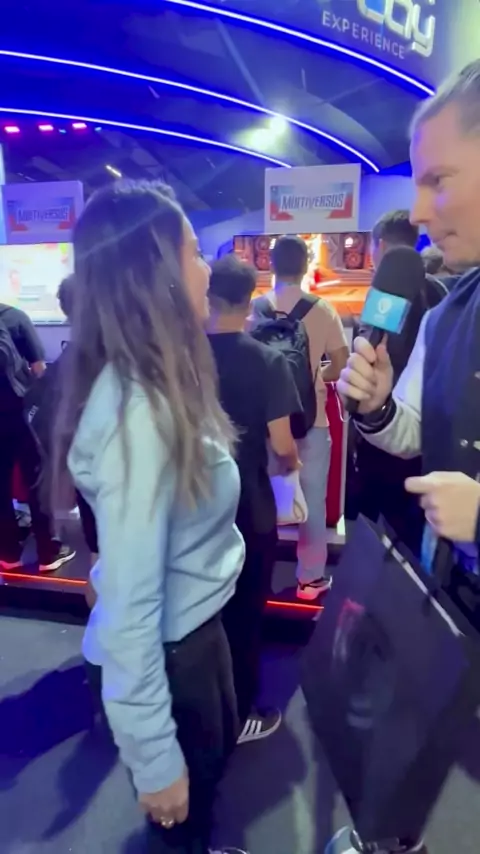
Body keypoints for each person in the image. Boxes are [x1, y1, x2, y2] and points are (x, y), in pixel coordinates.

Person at [52, 180, 247, 854]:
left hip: (194, 635)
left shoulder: (162, 382)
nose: (208, 269)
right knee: (182, 823)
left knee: (207, 803)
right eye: (194, 251)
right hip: (170, 655)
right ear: (154, 270)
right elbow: (131, 613)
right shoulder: (138, 410)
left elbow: (133, 549)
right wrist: (154, 758)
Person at [329, 59, 480, 854]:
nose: (419, 212)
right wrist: (381, 406)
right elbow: (417, 430)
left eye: (438, 181)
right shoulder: (451, 308)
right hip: (450, 599)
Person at [207, 255, 300, 744]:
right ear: (250, 300)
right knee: (245, 612)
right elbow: (282, 445)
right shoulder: (268, 360)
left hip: (190, 503)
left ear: (207, 295)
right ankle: (240, 713)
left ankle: (203, 708)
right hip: (249, 506)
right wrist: (292, 466)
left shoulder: (181, 358)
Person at [251, 235, 349, 601]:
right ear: (306, 266)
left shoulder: (255, 309)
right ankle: (310, 578)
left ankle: (259, 572)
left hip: (264, 422)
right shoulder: (323, 310)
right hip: (312, 420)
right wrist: (315, 378)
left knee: (262, 498)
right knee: (313, 500)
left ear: (271, 265)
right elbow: (340, 364)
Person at [355, 211, 447, 553]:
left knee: (381, 522)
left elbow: (376, 350)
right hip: (428, 430)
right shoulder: (441, 291)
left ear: (379, 246)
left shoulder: (385, 296)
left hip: (388, 419)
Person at [0, 301, 75, 572]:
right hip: (20, 412)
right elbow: (39, 369)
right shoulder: (15, 317)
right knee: (36, 478)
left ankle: (8, 552)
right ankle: (47, 551)